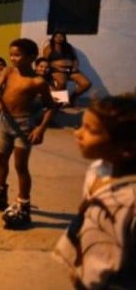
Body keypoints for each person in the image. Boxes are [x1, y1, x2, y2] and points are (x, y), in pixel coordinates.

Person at [0, 38, 58, 229]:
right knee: (0, 158)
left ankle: (23, 206)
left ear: (32, 57)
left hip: (24, 126)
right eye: (11, 54)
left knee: (21, 166)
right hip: (5, 122)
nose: (13, 58)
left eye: (17, 55)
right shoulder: (8, 71)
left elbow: (51, 107)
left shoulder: (37, 82)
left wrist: (40, 129)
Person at [52, 94, 136, 288]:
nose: (77, 133)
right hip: (88, 259)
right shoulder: (97, 169)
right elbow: (86, 207)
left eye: (90, 130)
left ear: (126, 149)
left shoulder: (130, 199)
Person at [43, 31, 92, 104]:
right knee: (62, 83)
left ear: (64, 38)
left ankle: (71, 98)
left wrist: (75, 67)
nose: (59, 38)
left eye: (61, 36)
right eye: (57, 36)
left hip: (71, 70)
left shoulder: (68, 47)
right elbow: (45, 61)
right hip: (57, 70)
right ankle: (59, 102)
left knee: (86, 83)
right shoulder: (49, 48)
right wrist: (57, 68)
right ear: (53, 38)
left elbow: (75, 59)